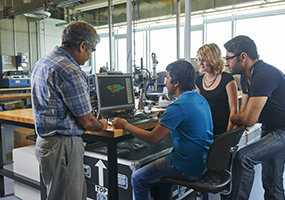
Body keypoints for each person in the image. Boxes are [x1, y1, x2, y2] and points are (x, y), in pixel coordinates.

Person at [112, 60, 214, 200]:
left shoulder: (178, 106)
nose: (165, 81)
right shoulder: (200, 98)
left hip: (186, 166)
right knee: (163, 179)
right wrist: (167, 118)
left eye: (167, 77)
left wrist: (125, 125)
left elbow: (152, 139)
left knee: (137, 178)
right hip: (203, 162)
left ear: (176, 83)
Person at [31, 21, 108, 200]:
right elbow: (87, 121)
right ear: (82, 46)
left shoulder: (44, 61)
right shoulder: (71, 71)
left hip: (45, 143)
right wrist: (102, 124)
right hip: (63, 146)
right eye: (91, 50)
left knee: (59, 194)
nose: (90, 56)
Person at [224, 35, 285, 200]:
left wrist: (232, 117)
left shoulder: (263, 74)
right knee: (271, 181)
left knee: (243, 158)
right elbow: (244, 111)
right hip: (271, 128)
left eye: (229, 58)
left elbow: (248, 119)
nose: (226, 63)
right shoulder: (246, 77)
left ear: (242, 57)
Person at [195, 43, 238, 138]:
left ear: (213, 60)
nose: (200, 63)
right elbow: (199, 107)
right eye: (199, 60)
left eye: (204, 60)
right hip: (206, 131)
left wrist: (227, 134)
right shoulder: (198, 81)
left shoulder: (227, 79)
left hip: (223, 129)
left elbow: (234, 109)